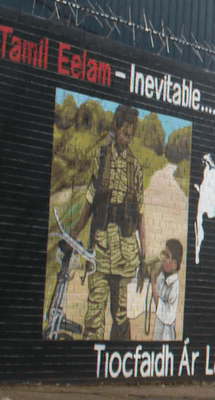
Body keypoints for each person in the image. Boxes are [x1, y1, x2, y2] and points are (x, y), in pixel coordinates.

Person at [71, 104, 146, 341]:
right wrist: (74, 232)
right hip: (101, 249)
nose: (127, 137)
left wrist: (144, 255)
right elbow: (90, 201)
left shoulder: (135, 168)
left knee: (120, 315)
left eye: (131, 133)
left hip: (124, 253)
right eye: (124, 131)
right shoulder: (101, 158)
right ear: (116, 127)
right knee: (94, 312)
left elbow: (141, 215)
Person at [151, 239, 183, 340]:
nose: (164, 259)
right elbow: (158, 287)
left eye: (167, 256)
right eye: (164, 255)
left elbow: (168, 316)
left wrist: (153, 283)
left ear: (174, 263)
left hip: (166, 335)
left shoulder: (175, 285)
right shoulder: (163, 276)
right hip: (158, 329)